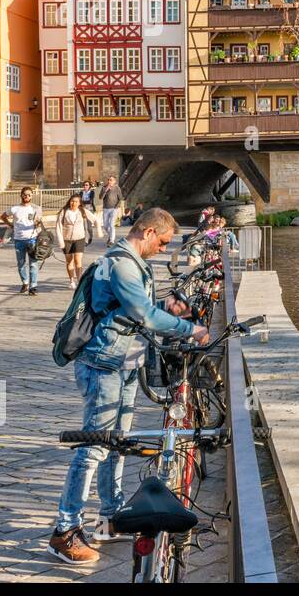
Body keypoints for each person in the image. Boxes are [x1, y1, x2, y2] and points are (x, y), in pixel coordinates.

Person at [49, 207, 209, 565]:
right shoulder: (122, 263)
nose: (164, 250)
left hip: (122, 364)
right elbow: (143, 316)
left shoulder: (135, 264)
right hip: (102, 365)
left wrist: (168, 305)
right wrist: (191, 329)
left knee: (117, 444)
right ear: (149, 232)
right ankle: (65, 530)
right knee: (92, 447)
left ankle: (111, 516)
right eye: (164, 242)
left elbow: (138, 307)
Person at [1, 187, 43, 294]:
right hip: (19, 239)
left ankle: (33, 286)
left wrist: (37, 223)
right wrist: (10, 224)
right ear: (21, 195)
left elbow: (39, 222)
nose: (27, 197)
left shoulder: (35, 209)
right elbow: (3, 216)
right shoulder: (15, 208)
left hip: (32, 238)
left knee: (33, 263)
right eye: (25, 194)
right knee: (21, 263)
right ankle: (25, 282)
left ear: (32, 196)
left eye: (29, 195)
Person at [56, 193, 100, 289]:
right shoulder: (64, 212)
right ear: (69, 202)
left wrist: (99, 231)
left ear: (79, 203)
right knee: (69, 261)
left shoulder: (82, 211)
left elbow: (95, 219)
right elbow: (58, 227)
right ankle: (72, 280)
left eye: (76, 201)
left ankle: (79, 280)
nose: (74, 203)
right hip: (66, 239)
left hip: (79, 238)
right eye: (72, 201)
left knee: (77, 260)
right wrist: (60, 242)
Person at [99, 176, 124, 245]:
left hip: (114, 209)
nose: (109, 181)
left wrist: (117, 207)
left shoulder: (117, 188)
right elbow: (100, 197)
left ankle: (112, 240)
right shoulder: (104, 188)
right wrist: (105, 190)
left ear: (114, 181)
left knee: (111, 224)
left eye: (111, 180)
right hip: (105, 208)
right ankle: (111, 236)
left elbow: (120, 198)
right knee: (105, 225)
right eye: (108, 180)